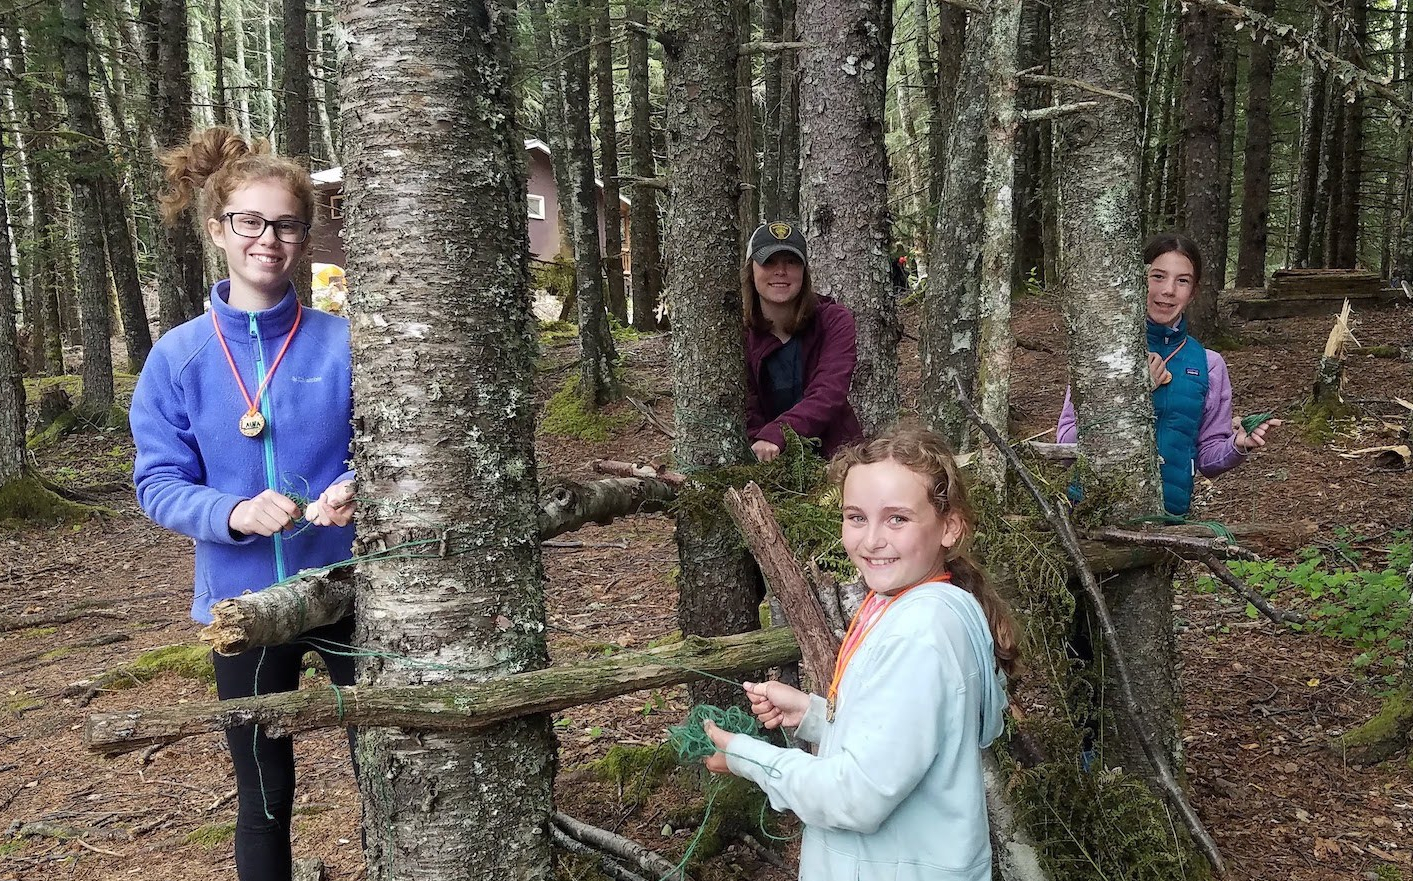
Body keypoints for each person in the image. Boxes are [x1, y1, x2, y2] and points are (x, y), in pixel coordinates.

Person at [131, 126, 358, 881]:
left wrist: (360, 485)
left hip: (354, 588)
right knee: (264, 792)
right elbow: (158, 482)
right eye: (250, 222)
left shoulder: (345, 343)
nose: (269, 238)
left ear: (305, 234)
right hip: (243, 603)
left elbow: (390, 448)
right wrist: (232, 513)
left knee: (393, 762)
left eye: (286, 223)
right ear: (217, 230)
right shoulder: (179, 356)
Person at [701, 427, 1019, 881]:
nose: (871, 540)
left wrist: (745, 757)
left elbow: (856, 796)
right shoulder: (927, 603)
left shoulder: (920, 633)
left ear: (950, 526)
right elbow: (915, 734)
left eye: (897, 519)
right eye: (856, 517)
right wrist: (816, 714)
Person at [1056, 232, 1280, 516]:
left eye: (1182, 280)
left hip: (1168, 522)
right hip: (1092, 517)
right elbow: (1065, 443)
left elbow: (1208, 458)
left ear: (1194, 291)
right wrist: (1130, 395)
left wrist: (1237, 446)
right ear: (1138, 279)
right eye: (1158, 276)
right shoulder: (1103, 354)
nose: (1169, 290)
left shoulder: (1209, 365)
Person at [743, 221, 864, 462]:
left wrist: (778, 434)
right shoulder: (737, 332)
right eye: (769, 261)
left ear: (804, 270)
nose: (781, 271)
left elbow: (829, 393)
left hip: (836, 457)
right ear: (751, 269)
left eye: (792, 261)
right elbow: (745, 403)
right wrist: (760, 443)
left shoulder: (834, 320)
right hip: (762, 459)